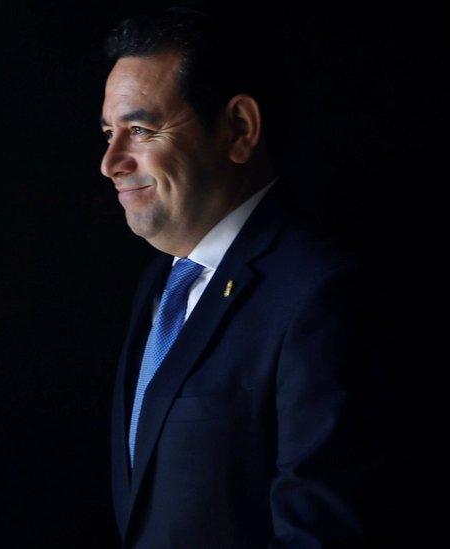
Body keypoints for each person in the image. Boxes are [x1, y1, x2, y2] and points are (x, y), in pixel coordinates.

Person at [99, 5, 397, 547]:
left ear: (239, 128)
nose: (111, 161)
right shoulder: (159, 287)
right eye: (108, 133)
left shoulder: (321, 295)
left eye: (140, 130)